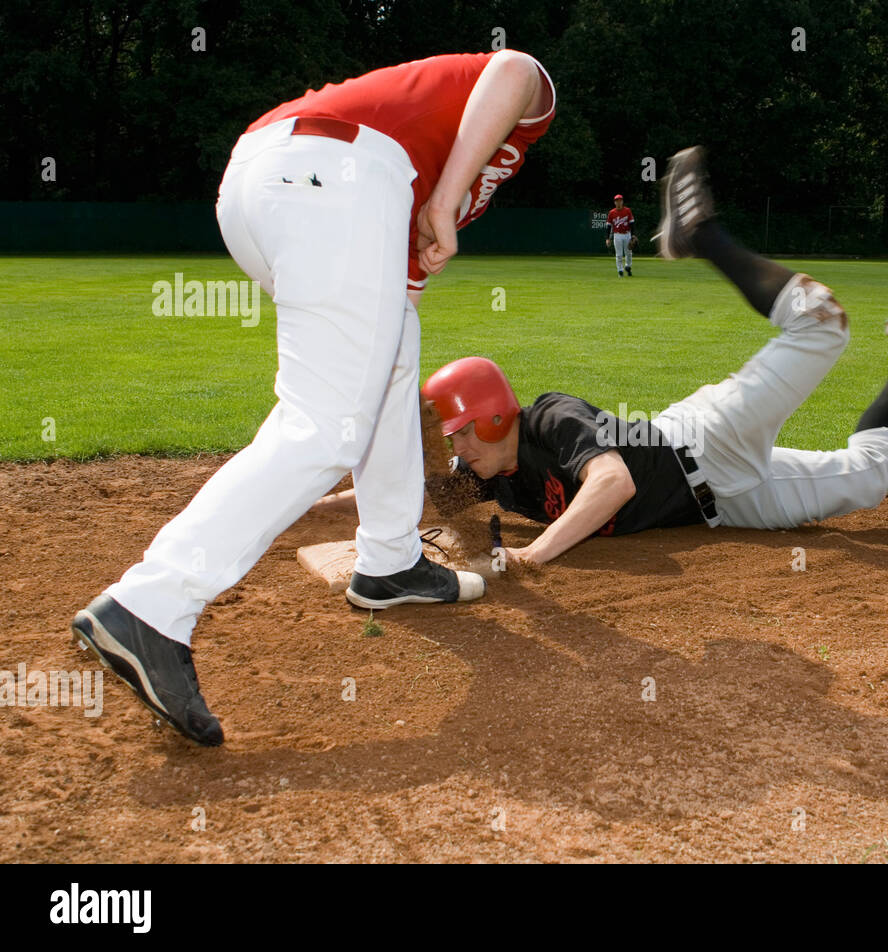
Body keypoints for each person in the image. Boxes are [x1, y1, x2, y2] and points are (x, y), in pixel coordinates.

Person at [71, 51, 557, 746]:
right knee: (327, 421)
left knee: (391, 356)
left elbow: (399, 299)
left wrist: (436, 201)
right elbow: (516, 69)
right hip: (334, 172)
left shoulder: (424, 168)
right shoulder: (503, 119)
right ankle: (151, 604)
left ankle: (389, 563)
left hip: (279, 181)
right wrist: (447, 196)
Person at [418, 147, 888, 566]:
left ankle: (702, 236)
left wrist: (534, 555)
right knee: (872, 480)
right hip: (723, 506)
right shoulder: (494, 474)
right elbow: (416, 496)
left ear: (495, 417)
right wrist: (329, 498)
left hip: (706, 440)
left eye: (462, 432)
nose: (457, 448)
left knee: (822, 325)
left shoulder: (549, 417)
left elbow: (612, 483)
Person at [605, 194, 636, 275]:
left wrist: (633, 235)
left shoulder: (627, 211)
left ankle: (628, 266)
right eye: (617, 201)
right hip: (617, 235)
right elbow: (608, 226)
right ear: (615, 202)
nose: (619, 202)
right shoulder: (611, 212)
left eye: (620, 200)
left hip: (627, 234)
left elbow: (632, 223)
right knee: (619, 254)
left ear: (622, 202)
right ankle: (620, 271)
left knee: (628, 253)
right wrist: (607, 238)